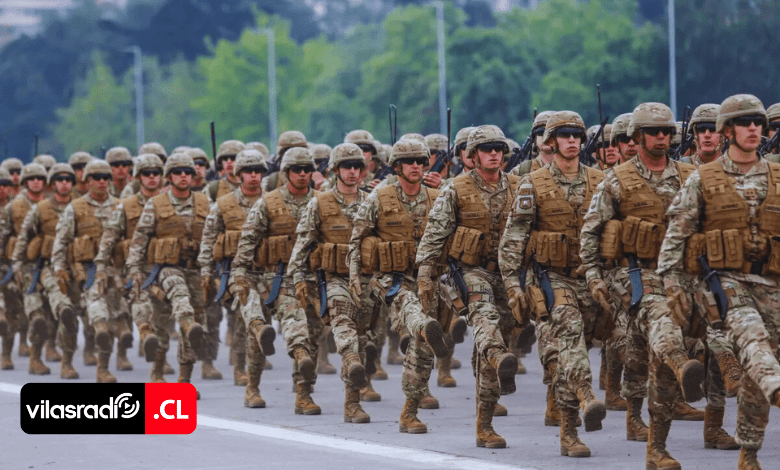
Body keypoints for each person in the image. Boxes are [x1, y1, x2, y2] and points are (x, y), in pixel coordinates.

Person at [580, 102, 705, 469]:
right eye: (653, 132)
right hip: (632, 275)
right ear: (637, 137)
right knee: (663, 324)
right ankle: (681, 365)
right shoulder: (616, 179)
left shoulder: (689, 176)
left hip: (679, 274)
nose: (662, 137)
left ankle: (647, 432)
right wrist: (593, 275)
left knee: (641, 352)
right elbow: (591, 232)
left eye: (666, 131)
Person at [658, 94, 780, 469]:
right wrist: (674, 287)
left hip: (771, 283)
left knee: (756, 369)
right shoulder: (703, 179)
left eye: (758, 123)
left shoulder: (777, 176)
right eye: (744, 123)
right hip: (724, 283)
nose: (753, 129)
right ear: (728, 131)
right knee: (752, 339)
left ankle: (749, 451)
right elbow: (675, 238)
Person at [499, 111, 610, 457]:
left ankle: (569, 422)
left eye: (576, 135)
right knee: (571, 334)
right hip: (551, 278)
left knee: (573, 352)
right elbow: (514, 238)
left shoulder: (600, 181)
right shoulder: (532, 183)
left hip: (591, 278)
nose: (572, 140)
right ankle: (580, 410)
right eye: (564, 135)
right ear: (551, 142)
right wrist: (513, 286)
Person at [417, 125, 521, 448]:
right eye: (487, 148)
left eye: (498, 148)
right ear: (473, 155)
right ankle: (487, 418)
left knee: (494, 341)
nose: (494, 153)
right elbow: (435, 232)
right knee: (487, 328)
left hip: (508, 274)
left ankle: (485, 418)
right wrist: (425, 272)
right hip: (470, 272)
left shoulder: (519, 187)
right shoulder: (456, 189)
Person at [349, 137, 450, 433]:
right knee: (411, 309)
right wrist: (354, 276)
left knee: (422, 349)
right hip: (389, 279)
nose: (416, 166)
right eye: (409, 162)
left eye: (420, 161)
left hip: (426, 278)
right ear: (397, 167)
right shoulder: (379, 198)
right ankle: (421, 326)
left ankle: (409, 412)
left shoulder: (437, 197)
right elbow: (357, 239)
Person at [288, 143, 377, 421]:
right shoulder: (320, 203)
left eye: (357, 166)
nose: (352, 171)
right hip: (329, 280)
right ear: (335, 170)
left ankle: (352, 404)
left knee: (360, 337)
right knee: (338, 324)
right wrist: (298, 281)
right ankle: (305, 392)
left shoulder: (372, 202)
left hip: (364, 280)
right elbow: (302, 245)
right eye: (346, 166)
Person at [232, 147, 322, 414]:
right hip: (272, 277)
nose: (303, 174)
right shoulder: (268, 203)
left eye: (307, 169)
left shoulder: (322, 202)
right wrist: (240, 277)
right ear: (286, 173)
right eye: (297, 169)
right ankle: (252, 388)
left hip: (311, 278)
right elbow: (248, 241)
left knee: (312, 334)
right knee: (267, 335)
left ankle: (303, 394)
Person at [126, 153, 209, 397]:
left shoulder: (205, 203)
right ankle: (157, 372)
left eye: (187, 172)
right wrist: (135, 270)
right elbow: (140, 239)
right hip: (165, 269)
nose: (183, 176)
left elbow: (213, 235)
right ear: (169, 177)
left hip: (195, 269)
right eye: (177, 172)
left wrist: (213, 271)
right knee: (177, 304)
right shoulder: (156, 204)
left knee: (195, 323)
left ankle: (185, 379)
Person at [200, 149, 275, 407]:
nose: (253, 175)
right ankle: (240, 369)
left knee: (258, 323)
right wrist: (206, 272)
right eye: (248, 171)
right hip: (236, 272)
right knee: (247, 315)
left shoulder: (273, 201)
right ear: (239, 174)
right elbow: (208, 239)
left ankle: (253, 375)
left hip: (269, 272)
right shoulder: (224, 204)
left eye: (258, 171)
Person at [52, 160, 127, 382]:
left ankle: (102, 369)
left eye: (105, 177)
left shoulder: (120, 206)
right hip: (80, 272)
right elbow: (61, 241)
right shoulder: (75, 207)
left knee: (106, 319)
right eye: (96, 178)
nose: (102, 182)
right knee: (71, 322)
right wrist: (59, 269)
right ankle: (67, 362)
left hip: (110, 272)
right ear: (88, 181)